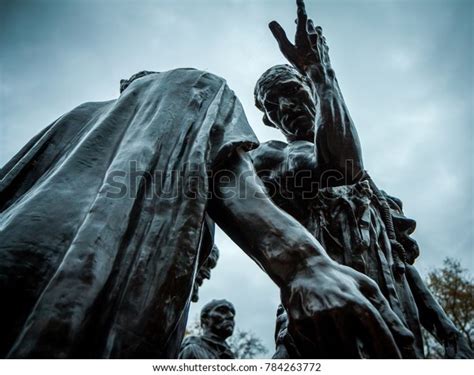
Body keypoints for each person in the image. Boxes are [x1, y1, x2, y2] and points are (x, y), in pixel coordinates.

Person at [0, 66, 413, 358]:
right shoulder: (198, 91)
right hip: (98, 302)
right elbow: (229, 176)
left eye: (291, 94)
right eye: (274, 104)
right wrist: (303, 264)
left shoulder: (75, 120)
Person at [251, 0, 472, 358]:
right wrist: (321, 76)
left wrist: (446, 329)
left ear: (306, 89)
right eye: (273, 107)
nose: (285, 110)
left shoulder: (371, 190)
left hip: (395, 317)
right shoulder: (270, 157)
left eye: (290, 94)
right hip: (324, 317)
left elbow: (399, 263)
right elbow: (339, 167)